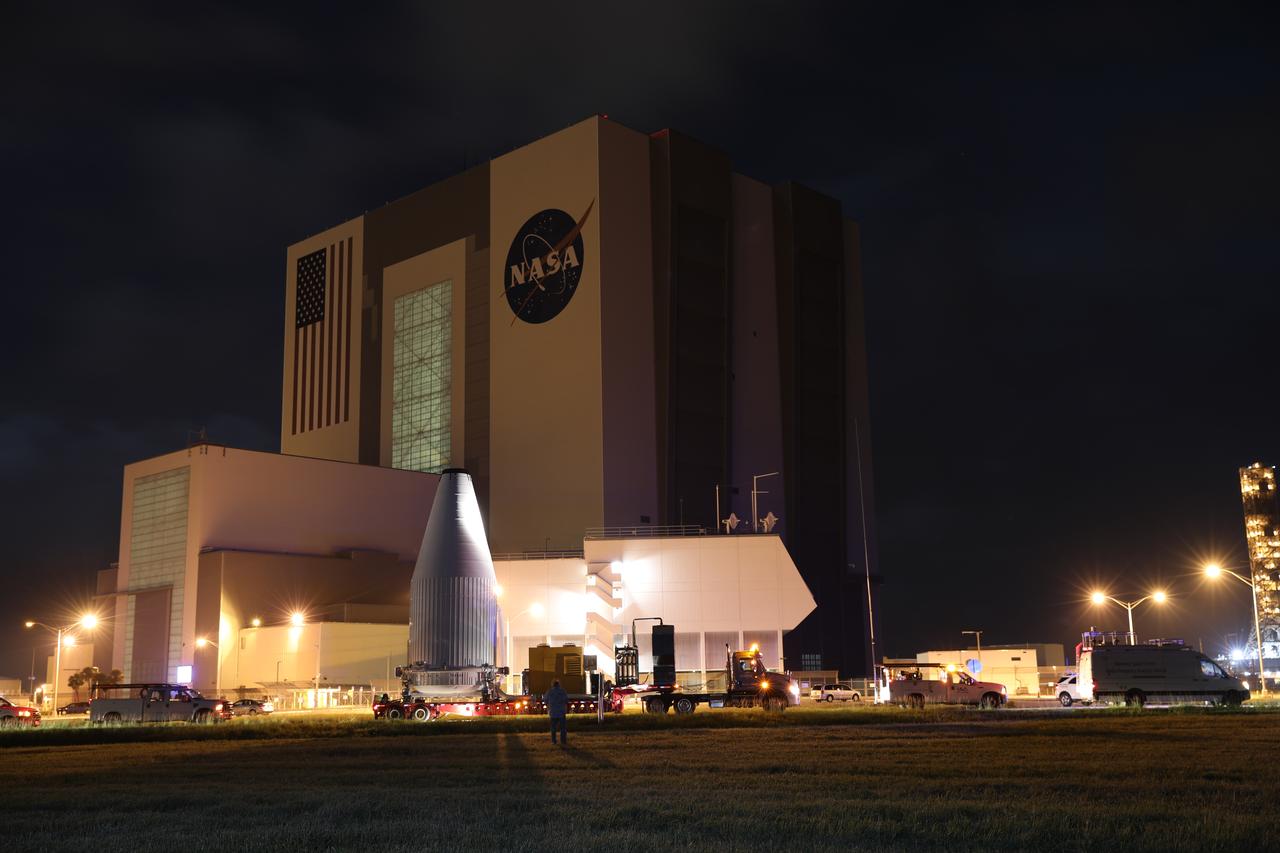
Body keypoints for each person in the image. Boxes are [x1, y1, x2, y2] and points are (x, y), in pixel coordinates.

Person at [545, 679, 569, 746]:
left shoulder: (549, 692)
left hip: (553, 712)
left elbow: (545, 700)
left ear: (552, 685)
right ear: (559, 684)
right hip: (561, 712)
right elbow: (566, 700)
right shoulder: (563, 691)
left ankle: (553, 741)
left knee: (553, 728)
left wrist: (549, 706)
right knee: (563, 728)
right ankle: (563, 741)